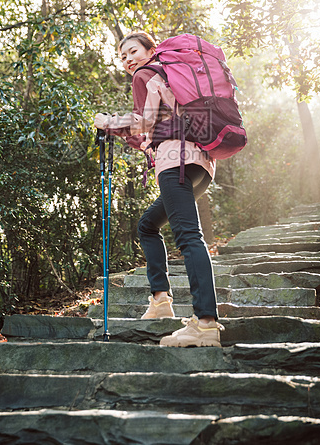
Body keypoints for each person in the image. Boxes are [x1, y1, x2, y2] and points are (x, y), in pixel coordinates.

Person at [94, 32, 224, 347]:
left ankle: (205, 323)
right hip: (201, 165)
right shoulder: (171, 75)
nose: (127, 59)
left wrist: (107, 122)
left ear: (151, 50)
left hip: (175, 163)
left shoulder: (145, 73)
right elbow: (157, 123)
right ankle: (161, 300)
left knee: (189, 237)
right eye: (122, 56)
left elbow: (143, 121)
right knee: (148, 224)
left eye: (132, 51)